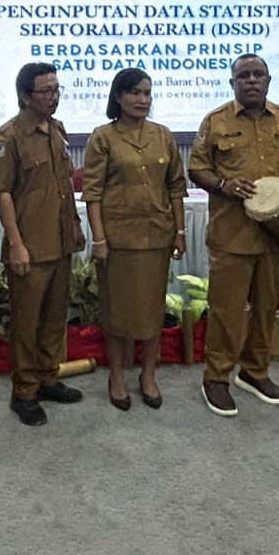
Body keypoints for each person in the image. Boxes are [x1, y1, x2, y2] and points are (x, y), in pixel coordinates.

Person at [188, 54, 279, 417]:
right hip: (232, 235)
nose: (252, 80)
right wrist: (223, 185)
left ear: (269, 81)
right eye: (244, 75)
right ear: (233, 83)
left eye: (258, 74)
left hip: (276, 236)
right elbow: (197, 168)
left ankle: (255, 372)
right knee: (226, 311)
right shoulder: (216, 121)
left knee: (267, 307)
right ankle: (216, 378)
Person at [0, 62, 86, 425]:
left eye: (57, 89)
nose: (53, 96)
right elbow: (3, 193)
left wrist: (73, 229)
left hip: (60, 242)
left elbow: (63, 185)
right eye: (46, 91)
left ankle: (47, 377)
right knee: (26, 323)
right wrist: (16, 244)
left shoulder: (56, 129)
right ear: (25, 96)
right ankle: (25, 391)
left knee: (54, 318)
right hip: (29, 245)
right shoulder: (8, 137)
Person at [82, 70, 187, 410]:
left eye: (147, 93)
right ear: (118, 97)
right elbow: (92, 193)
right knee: (116, 312)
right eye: (134, 93)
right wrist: (99, 239)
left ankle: (148, 375)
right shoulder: (103, 137)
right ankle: (116, 377)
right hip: (118, 240)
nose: (142, 99)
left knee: (152, 311)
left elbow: (176, 187)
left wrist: (180, 231)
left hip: (157, 237)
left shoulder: (163, 135)